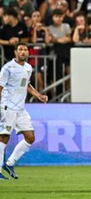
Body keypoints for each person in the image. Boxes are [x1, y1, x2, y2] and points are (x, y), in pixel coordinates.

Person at [0, 42, 48, 180]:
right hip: (7, 107)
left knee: (30, 137)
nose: (23, 52)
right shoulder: (7, 68)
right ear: (15, 52)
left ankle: (9, 163)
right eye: (20, 49)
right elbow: (0, 87)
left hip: (20, 108)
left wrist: (39, 95)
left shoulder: (28, 67)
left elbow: (26, 84)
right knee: (4, 137)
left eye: (25, 49)